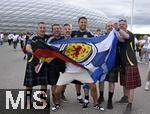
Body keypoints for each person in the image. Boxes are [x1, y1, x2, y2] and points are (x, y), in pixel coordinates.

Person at [54, 23, 104, 111]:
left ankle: (96, 103)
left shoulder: (76, 40)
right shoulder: (59, 42)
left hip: (80, 71)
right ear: (63, 31)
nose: (67, 30)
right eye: (65, 29)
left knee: (93, 87)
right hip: (67, 72)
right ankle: (57, 103)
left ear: (71, 30)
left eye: (69, 29)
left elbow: (91, 44)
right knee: (57, 91)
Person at [115, 19, 141, 112]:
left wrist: (118, 29)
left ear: (126, 26)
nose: (122, 25)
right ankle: (125, 98)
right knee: (124, 83)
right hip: (123, 64)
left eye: (123, 24)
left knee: (130, 86)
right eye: (120, 24)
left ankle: (129, 105)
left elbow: (125, 36)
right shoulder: (118, 35)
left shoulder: (130, 34)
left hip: (131, 63)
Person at [24, 22, 49, 109]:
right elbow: (27, 47)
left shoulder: (47, 37)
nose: (42, 29)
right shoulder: (32, 37)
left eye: (44, 28)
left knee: (44, 83)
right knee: (29, 84)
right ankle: (27, 101)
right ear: (37, 29)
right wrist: (34, 53)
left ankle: (42, 101)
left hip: (43, 63)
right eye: (41, 28)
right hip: (32, 63)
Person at [71, 16, 94, 108]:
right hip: (75, 62)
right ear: (78, 23)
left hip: (86, 62)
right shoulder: (73, 34)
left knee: (86, 81)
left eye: (85, 22)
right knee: (77, 82)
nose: (83, 24)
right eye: (81, 22)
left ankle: (87, 99)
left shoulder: (90, 34)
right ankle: (79, 96)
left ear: (86, 23)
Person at [98, 21, 119, 109]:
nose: (110, 27)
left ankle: (110, 100)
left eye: (111, 26)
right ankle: (101, 96)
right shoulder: (102, 37)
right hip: (103, 63)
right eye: (108, 26)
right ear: (106, 27)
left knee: (111, 81)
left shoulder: (117, 36)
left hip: (114, 62)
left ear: (113, 27)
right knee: (101, 80)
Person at [47, 24, 66, 111]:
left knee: (63, 83)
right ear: (52, 31)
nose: (57, 30)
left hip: (63, 64)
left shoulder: (64, 39)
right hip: (52, 64)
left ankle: (61, 93)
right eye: (55, 29)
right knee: (54, 84)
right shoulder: (49, 40)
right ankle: (56, 100)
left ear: (60, 30)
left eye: (58, 29)